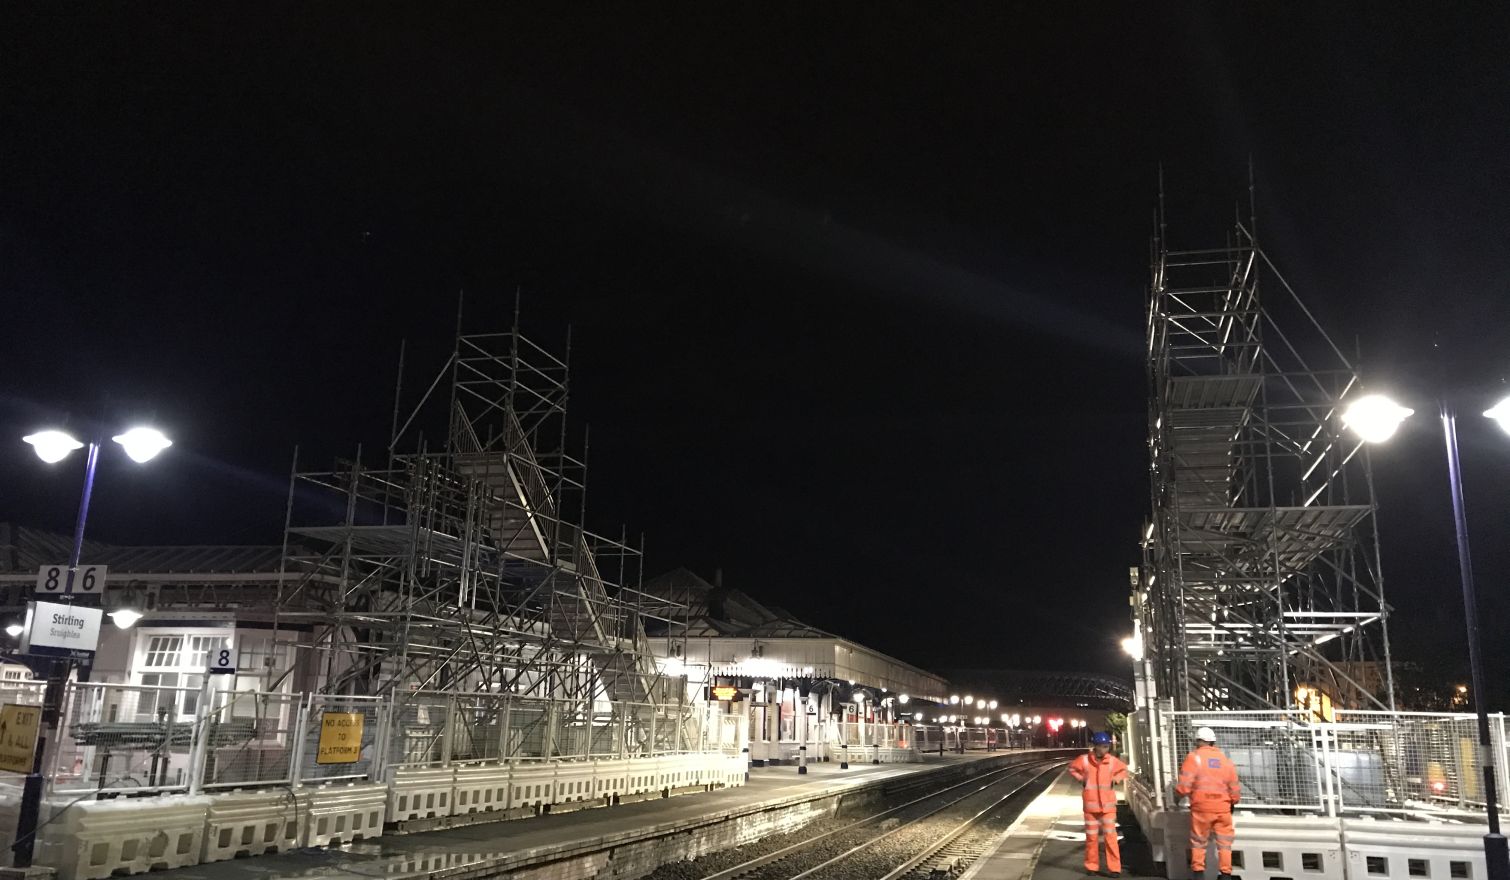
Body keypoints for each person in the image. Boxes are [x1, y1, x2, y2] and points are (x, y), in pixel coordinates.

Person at [1176, 726, 1241, 879]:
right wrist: (1233, 801)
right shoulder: (1225, 760)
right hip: (1223, 808)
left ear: (1198, 741)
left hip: (1201, 808)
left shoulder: (1194, 758)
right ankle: (1226, 874)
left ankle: (1199, 874)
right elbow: (1234, 787)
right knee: (1225, 844)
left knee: (1198, 842)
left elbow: (1183, 787)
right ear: (1213, 742)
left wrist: (1178, 795)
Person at [1068, 731, 1128, 877]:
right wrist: (1081, 778)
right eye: (1102, 746)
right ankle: (1091, 866)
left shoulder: (1112, 761)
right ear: (1095, 746)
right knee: (1091, 838)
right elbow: (1072, 769)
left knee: (1111, 838)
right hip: (1090, 807)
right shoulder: (1084, 760)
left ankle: (1114, 868)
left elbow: (1123, 770)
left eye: (1106, 746)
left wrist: (1116, 779)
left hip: (1107, 807)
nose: (1105, 749)